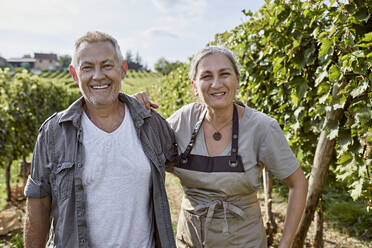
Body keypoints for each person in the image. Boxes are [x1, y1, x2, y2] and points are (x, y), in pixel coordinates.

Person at [135, 46, 308, 248]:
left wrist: (285, 244)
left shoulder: (261, 128)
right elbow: (147, 152)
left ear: (238, 80)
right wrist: (135, 110)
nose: (216, 84)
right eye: (206, 76)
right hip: (190, 240)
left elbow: (298, 184)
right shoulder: (184, 120)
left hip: (244, 242)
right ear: (195, 86)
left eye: (224, 74)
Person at [23, 31, 177, 248]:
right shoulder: (53, 132)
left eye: (107, 65)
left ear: (122, 70)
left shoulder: (151, 123)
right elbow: (38, 205)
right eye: (87, 67)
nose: (98, 76)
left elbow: (185, 159)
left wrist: (228, 110)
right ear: (74, 74)